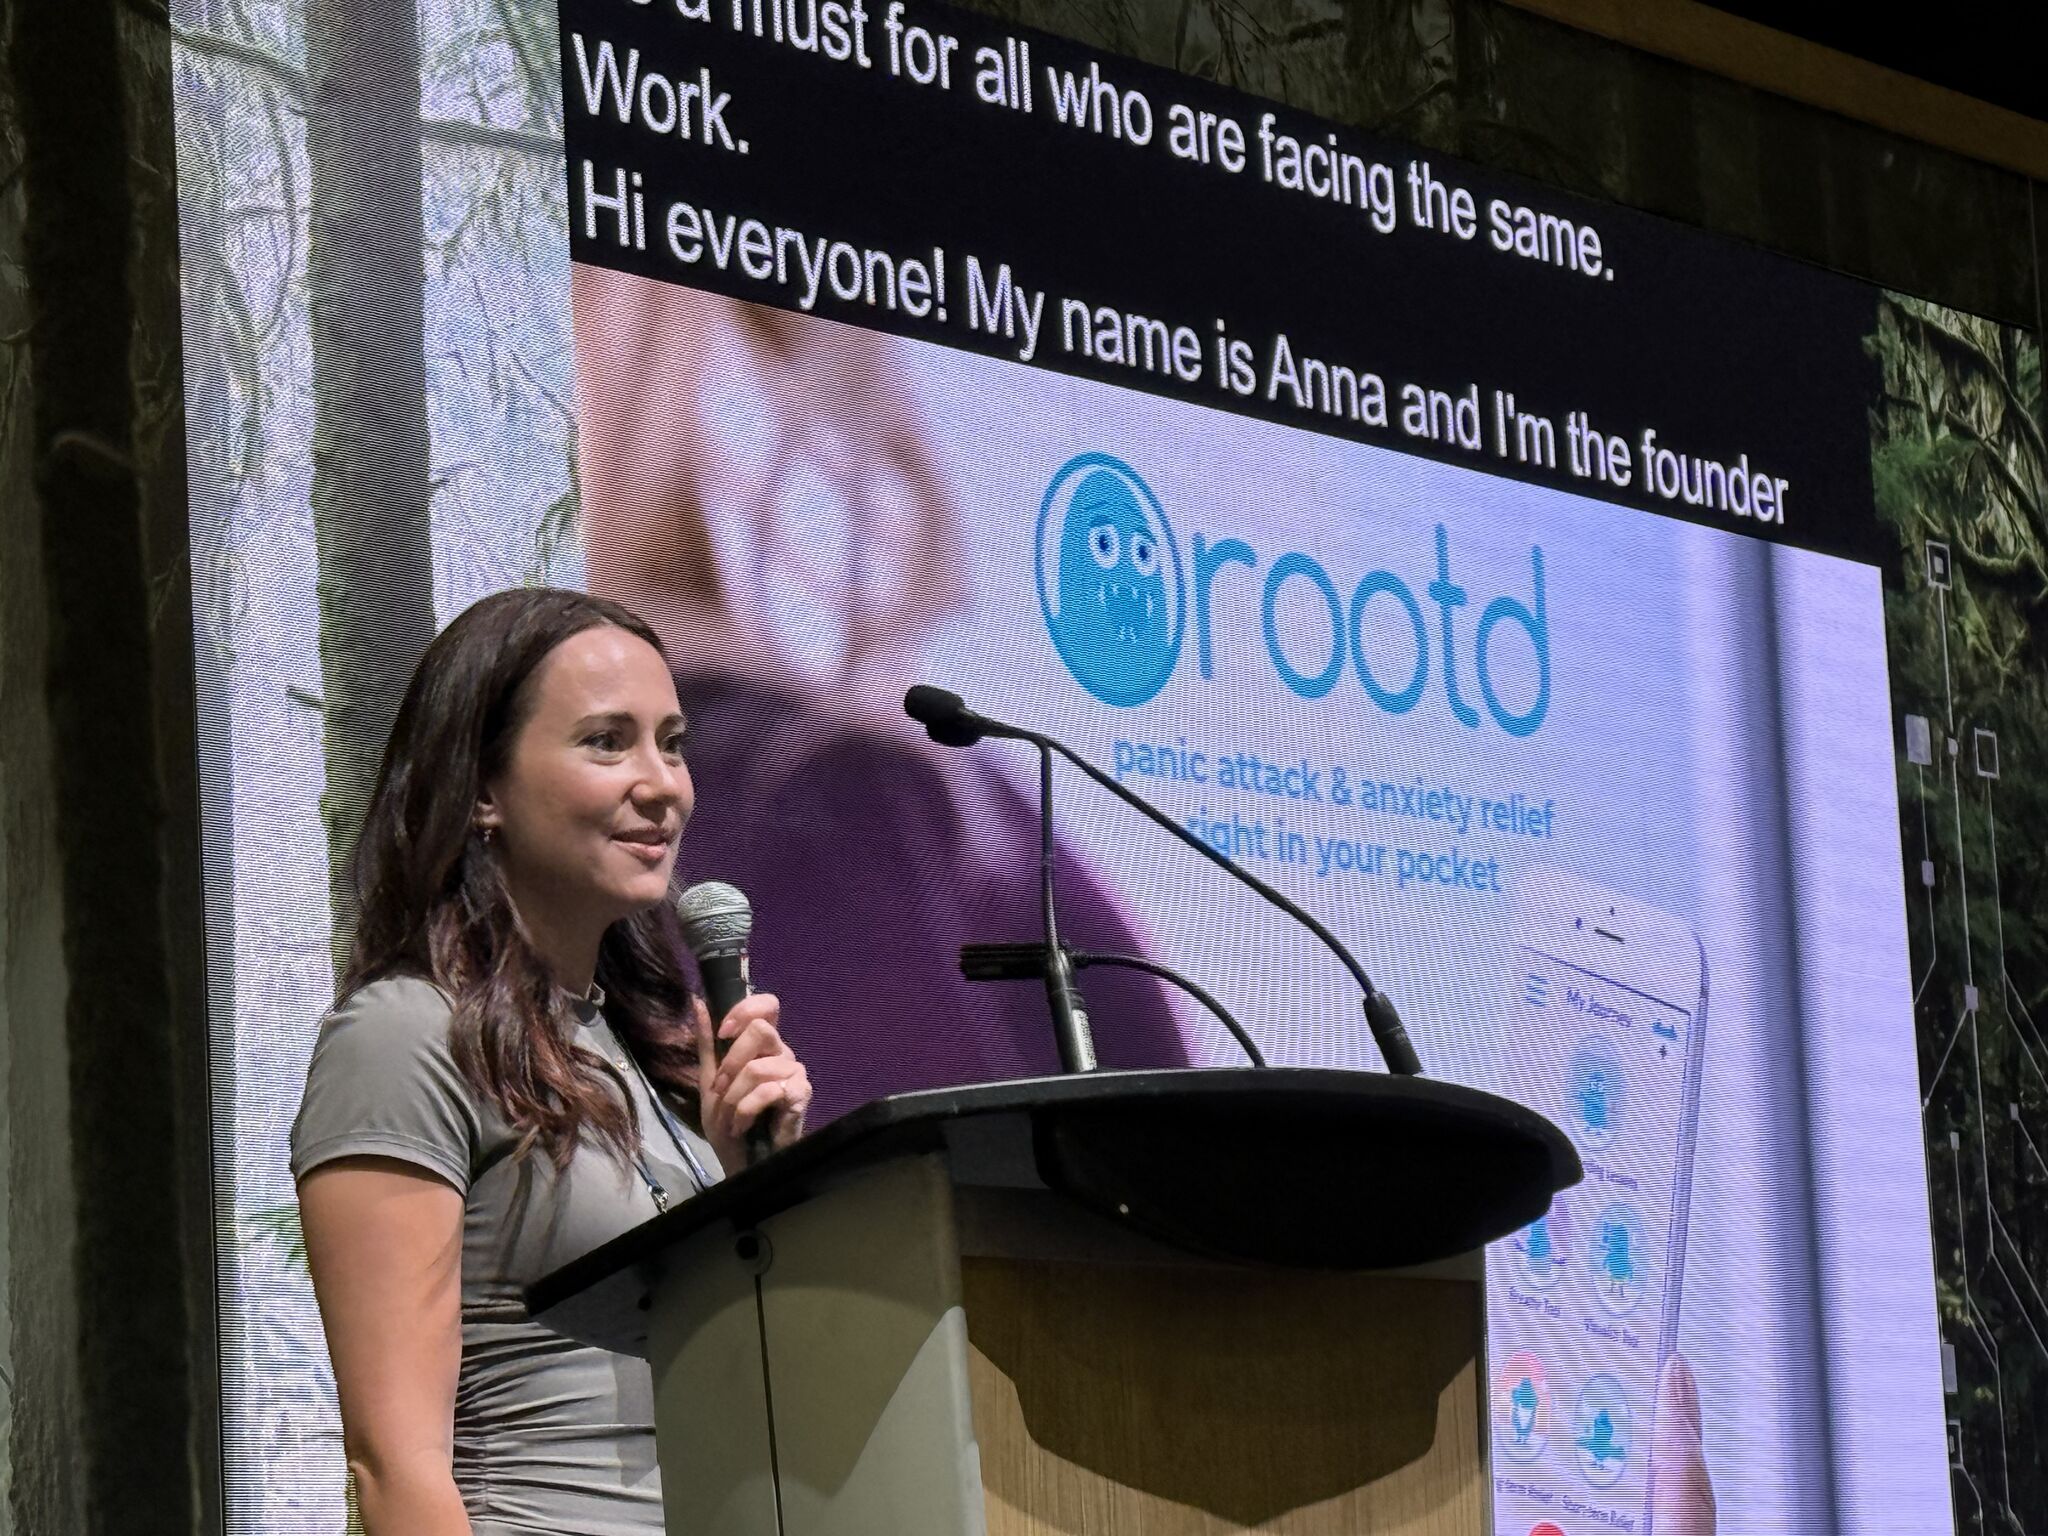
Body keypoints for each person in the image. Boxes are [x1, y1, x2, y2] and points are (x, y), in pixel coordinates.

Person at [291, 588, 813, 1536]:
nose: (662, 784)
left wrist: (751, 1176)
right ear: (482, 790)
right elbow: (392, 1465)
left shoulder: (642, 1052)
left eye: (673, 744)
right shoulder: (403, 1035)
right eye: (607, 742)